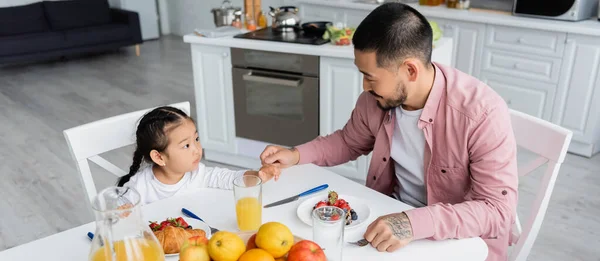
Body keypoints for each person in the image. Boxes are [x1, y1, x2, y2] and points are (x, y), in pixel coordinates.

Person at [259, 3, 518, 261]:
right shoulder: (376, 100)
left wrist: (412, 223)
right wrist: (294, 155)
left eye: (370, 77)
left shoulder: (481, 113)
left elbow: (496, 210)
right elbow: (348, 142)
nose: (364, 85)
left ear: (410, 70)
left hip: (459, 241)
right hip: (392, 217)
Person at [118, 106, 280, 205]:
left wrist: (258, 175)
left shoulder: (197, 174)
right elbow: (117, 210)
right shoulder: (140, 186)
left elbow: (228, 178)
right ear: (159, 157)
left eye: (196, 139)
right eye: (186, 145)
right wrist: (122, 211)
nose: (197, 149)